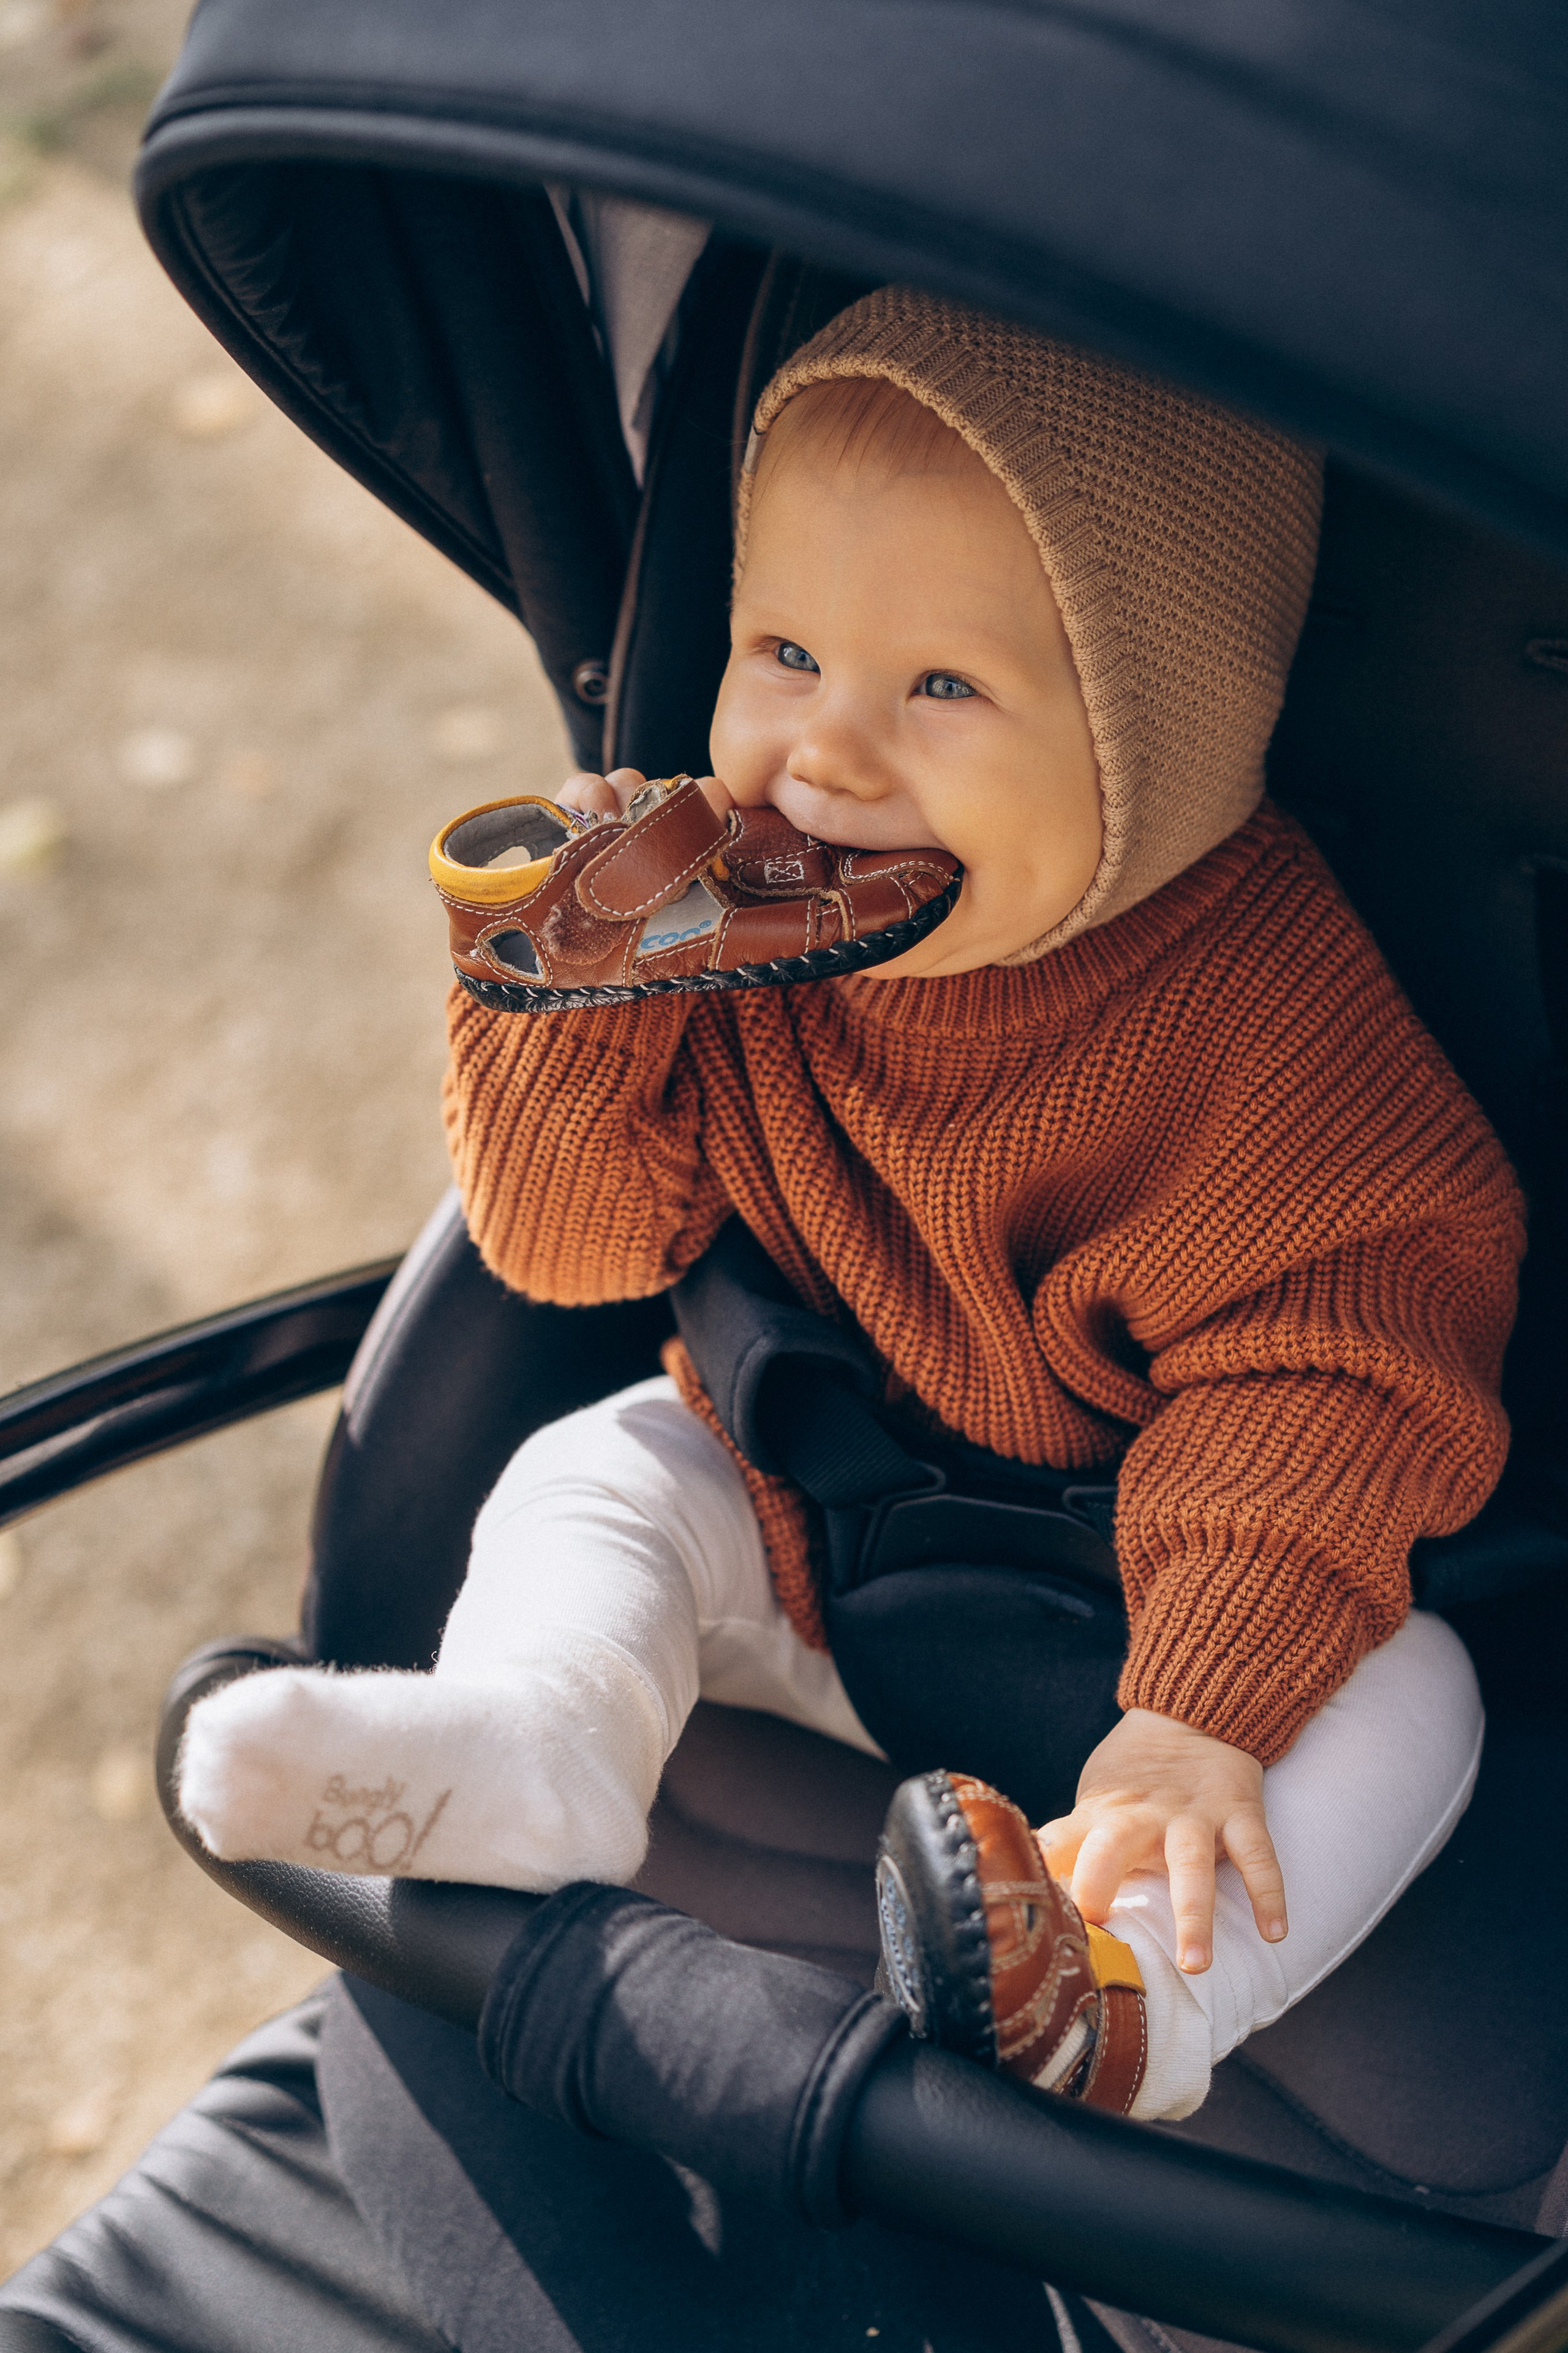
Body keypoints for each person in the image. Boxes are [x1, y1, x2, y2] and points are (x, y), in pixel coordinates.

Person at [177, 288, 1523, 2123]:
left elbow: (1341, 1372)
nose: (827, 753)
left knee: (1409, 1696)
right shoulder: (731, 934)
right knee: (601, 1471)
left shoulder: (1267, 1032)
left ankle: (1131, 1994)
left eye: (943, 688)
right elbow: (572, 1252)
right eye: (785, 649)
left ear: (1167, 737)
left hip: (1158, 1634)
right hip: (816, 1531)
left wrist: (1202, 1703)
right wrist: (556, 1001)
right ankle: (549, 1738)